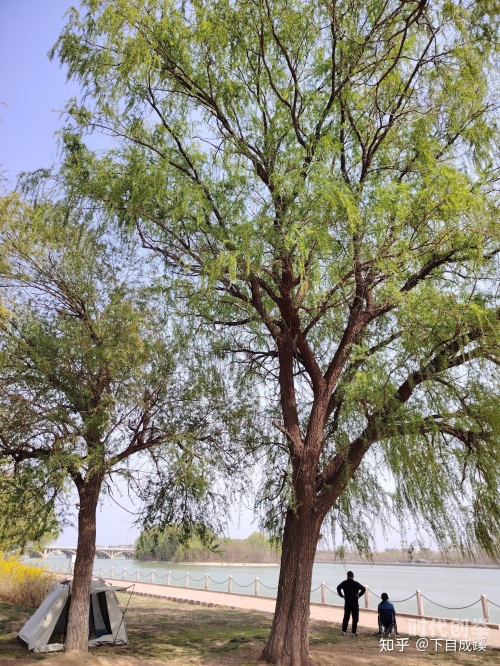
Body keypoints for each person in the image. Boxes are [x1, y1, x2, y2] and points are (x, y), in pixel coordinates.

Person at [336, 571, 366, 636]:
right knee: (355, 618)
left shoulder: (344, 583)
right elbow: (363, 589)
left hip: (347, 602)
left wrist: (342, 595)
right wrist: (359, 595)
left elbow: (338, 588)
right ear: (353, 576)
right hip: (355, 602)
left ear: (347, 576)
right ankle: (353, 632)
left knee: (346, 617)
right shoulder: (356, 583)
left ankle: (344, 631)